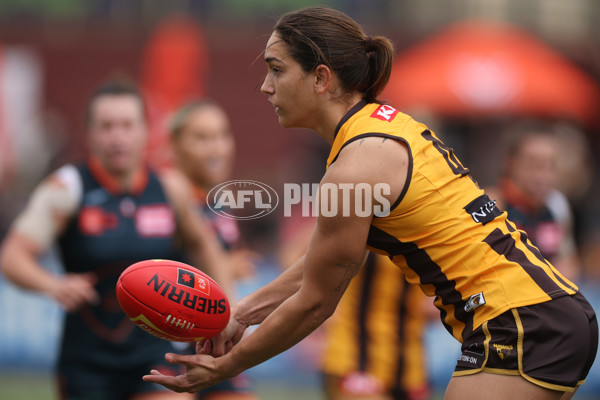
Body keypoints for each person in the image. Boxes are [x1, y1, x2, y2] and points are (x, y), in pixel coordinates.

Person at [143, 7, 598, 400]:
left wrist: (229, 366)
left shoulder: (353, 168)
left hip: (517, 323)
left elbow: (316, 302)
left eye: (276, 69)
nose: (265, 86)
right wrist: (241, 314)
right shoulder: (385, 127)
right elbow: (324, 261)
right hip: (548, 313)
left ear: (320, 77)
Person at [0, 79, 232, 400]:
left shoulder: (168, 188)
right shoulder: (67, 188)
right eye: (106, 127)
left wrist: (227, 308)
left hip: (155, 355)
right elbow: (12, 257)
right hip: (87, 362)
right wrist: (53, 285)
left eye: (127, 125)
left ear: (145, 132)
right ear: (89, 135)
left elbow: (203, 243)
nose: (117, 137)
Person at [168, 99, 258, 400]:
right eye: (203, 138)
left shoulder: (219, 202)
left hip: (214, 341)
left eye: (222, 135)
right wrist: (218, 272)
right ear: (176, 144)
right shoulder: (164, 195)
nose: (217, 147)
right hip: (167, 343)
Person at [487, 121, 581, 282]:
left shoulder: (557, 206)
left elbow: (569, 265)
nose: (542, 177)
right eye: (533, 165)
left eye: (550, 166)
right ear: (510, 163)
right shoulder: (492, 204)